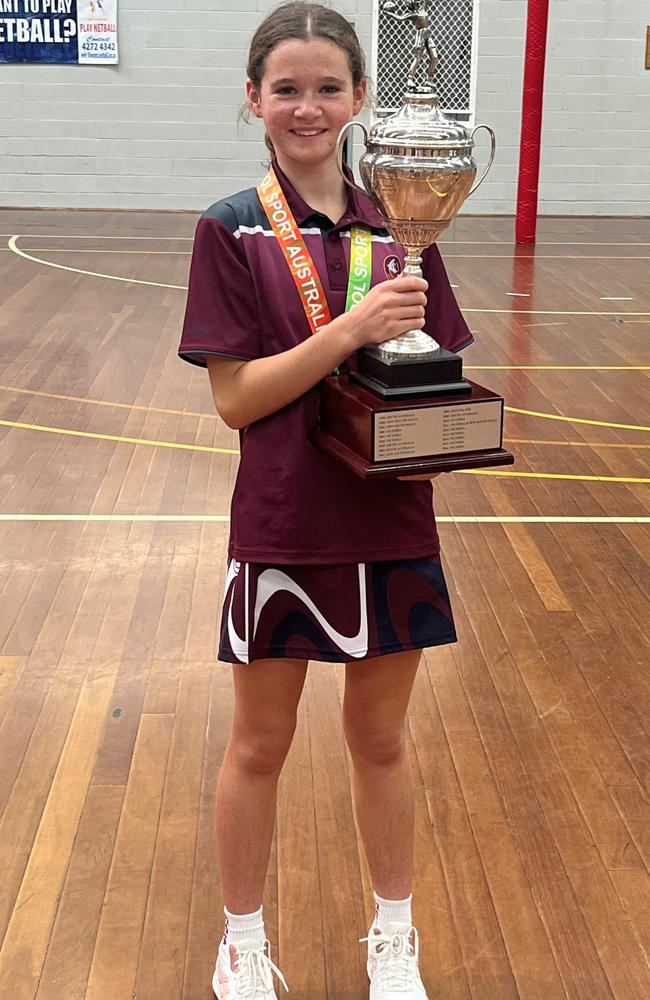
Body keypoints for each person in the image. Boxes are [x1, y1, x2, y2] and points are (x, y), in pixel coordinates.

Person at [178, 4, 473, 998]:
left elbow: (434, 366)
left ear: (357, 101)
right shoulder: (230, 230)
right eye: (286, 88)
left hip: (386, 514)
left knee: (382, 738)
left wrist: (441, 434)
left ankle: (392, 935)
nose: (307, 108)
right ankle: (240, 940)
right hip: (282, 518)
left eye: (328, 88)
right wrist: (346, 331)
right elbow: (234, 398)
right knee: (260, 741)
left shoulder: (402, 215)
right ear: (252, 98)